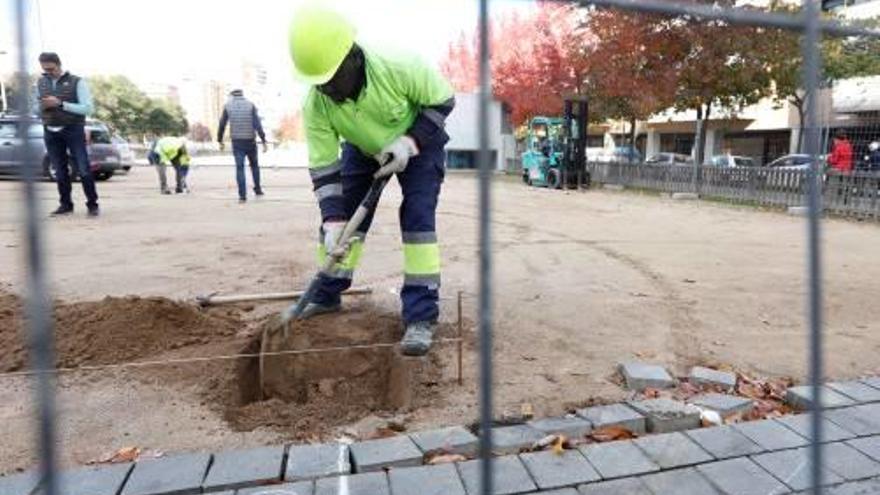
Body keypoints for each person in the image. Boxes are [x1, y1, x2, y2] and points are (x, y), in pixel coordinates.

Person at [289, 6, 455, 356]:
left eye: (333, 78)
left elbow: (443, 101)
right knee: (341, 221)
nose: (328, 90)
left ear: (352, 56)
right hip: (361, 148)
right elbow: (324, 167)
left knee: (418, 220)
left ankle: (421, 315)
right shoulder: (317, 102)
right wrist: (333, 220)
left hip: (418, 143)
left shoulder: (398, 64)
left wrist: (409, 143)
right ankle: (327, 292)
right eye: (319, 83)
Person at [34, 52, 99, 216]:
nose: (48, 72)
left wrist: (61, 104)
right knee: (59, 171)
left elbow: (88, 108)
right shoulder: (41, 82)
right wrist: (42, 106)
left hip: (73, 129)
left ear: (58, 64)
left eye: (51, 69)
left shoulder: (77, 81)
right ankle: (66, 205)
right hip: (50, 130)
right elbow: (35, 109)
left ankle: (92, 205)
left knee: (84, 168)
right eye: (44, 69)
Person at [217, 89, 268, 203]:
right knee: (254, 165)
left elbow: (222, 124)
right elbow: (257, 124)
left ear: (232, 95)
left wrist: (220, 140)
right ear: (242, 95)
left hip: (237, 142)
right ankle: (258, 189)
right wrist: (263, 139)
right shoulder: (250, 105)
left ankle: (242, 196)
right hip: (250, 141)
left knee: (240, 168)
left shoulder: (228, 106)